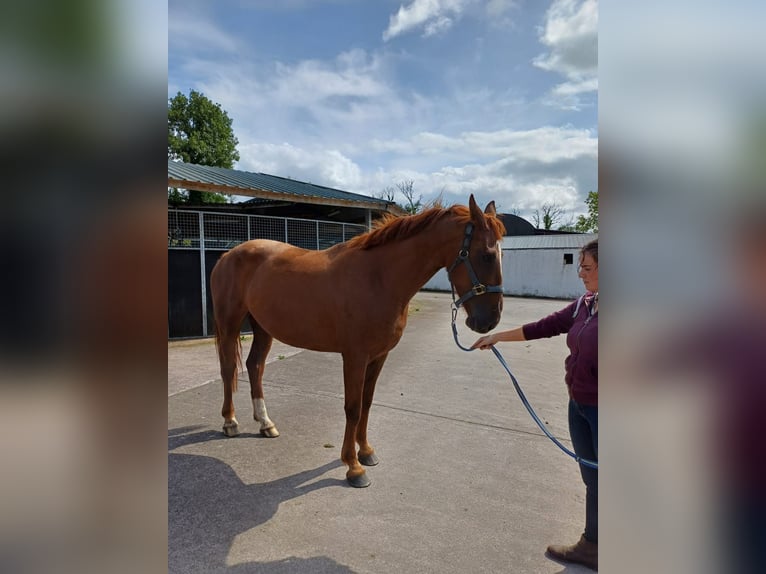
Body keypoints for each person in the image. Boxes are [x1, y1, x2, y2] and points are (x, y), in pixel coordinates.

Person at [471, 239, 599, 571]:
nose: (580, 274)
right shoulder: (583, 305)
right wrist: (497, 337)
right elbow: (545, 327)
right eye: (580, 267)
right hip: (581, 406)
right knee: (594, 480)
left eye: (586, 268)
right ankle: (594, 546)